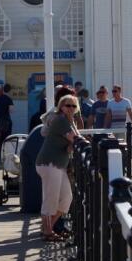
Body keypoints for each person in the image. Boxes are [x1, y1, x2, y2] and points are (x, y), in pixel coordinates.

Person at [35, 94, 80, 241]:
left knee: (66, 198)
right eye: (68, 105)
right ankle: (48, 232)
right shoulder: (60, 120)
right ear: (61, 106)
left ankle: (47, 228)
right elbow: (75, 139)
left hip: (59, 165)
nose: (71, 109)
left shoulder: (69, 121)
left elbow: (70, 146)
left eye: (74, 106)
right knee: (51, 198)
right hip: (49, 163)